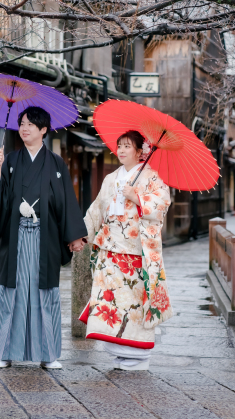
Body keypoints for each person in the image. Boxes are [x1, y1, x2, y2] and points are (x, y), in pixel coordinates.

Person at [0, 106, 88, 370]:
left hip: (45, 238)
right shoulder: (10, 161)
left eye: (31, 124)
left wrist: (74, 235)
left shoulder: (56, 163)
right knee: (11, 293)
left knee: (45, 294)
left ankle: (48, 354)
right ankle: (4, 351)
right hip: (16, 237)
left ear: (43, 130)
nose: (24, 128)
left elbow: (65, 201)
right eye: (22, 123)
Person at [80, 130, 173, 370]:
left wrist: (138, 197)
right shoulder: (111, 179)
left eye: (127, 146)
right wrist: (81, 234)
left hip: (135, 253)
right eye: (119, 145)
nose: (120, 150)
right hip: (110, 250)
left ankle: (137, 355)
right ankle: (118, 352)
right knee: (112, 302)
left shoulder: (151, 177)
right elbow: (97, 209)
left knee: (133, 304)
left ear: (140, 151)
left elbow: (163, 203)